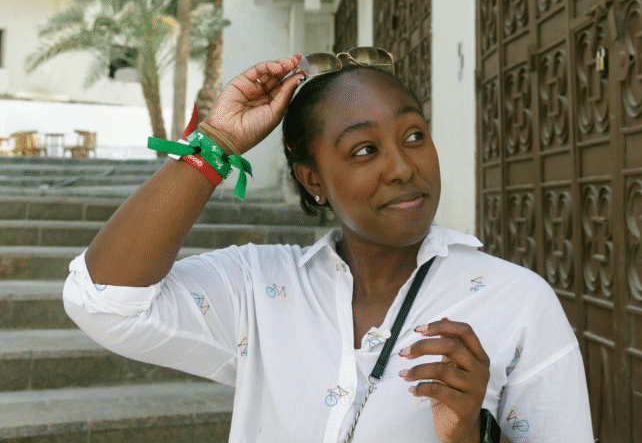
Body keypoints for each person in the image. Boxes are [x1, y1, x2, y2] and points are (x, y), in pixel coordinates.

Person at [63, 51, 595, 443]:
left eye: (414, 136)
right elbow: (104, 298)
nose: (404, 167)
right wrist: (218, 142)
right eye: (365, 150)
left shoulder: (516, 302)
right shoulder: (262, 289)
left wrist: (469, 433)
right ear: (312, 178)